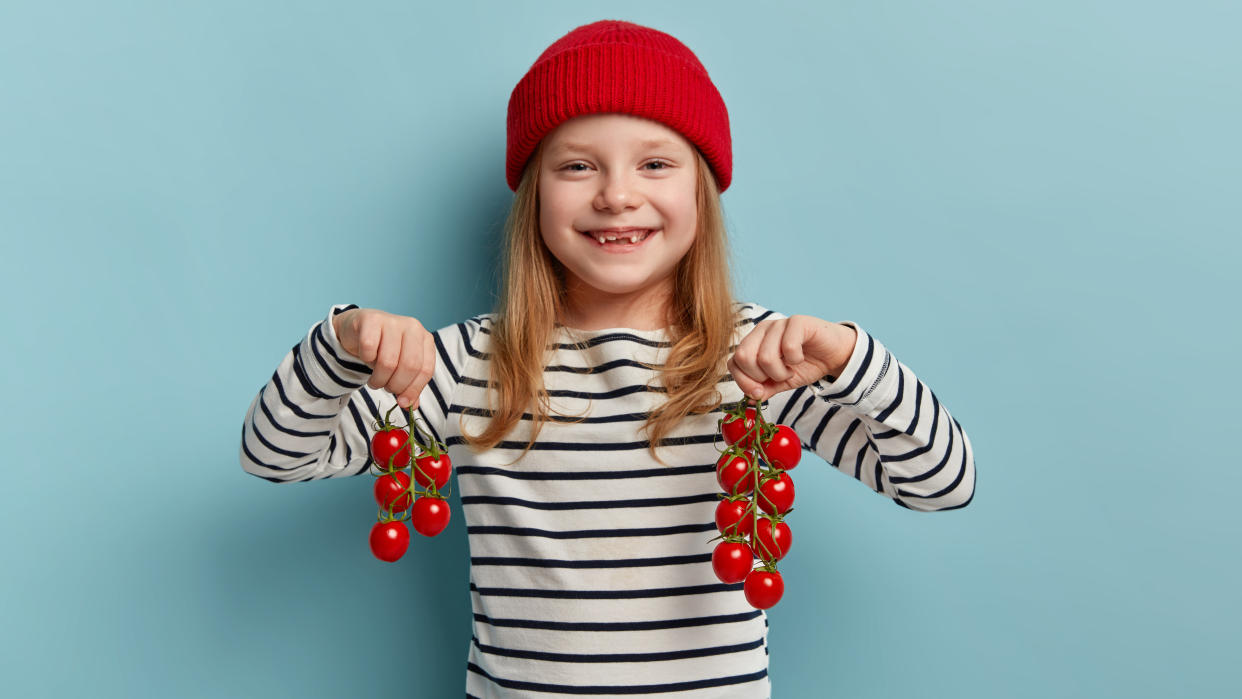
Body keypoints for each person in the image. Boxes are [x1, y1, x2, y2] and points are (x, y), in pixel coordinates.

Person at [239, 19, 975, 698]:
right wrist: (341, 344)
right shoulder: (466, 364)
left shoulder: (760, 361)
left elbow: (942, 483)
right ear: (533, 196)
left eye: (655, 163)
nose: (618, 195)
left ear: (701, 191)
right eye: (578, 166)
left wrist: (854, 358)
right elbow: (274, 454)